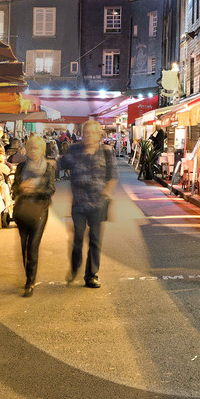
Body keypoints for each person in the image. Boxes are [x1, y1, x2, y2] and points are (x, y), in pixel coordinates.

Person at [62, 119, 118, 288]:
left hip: (98, 203)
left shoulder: (107, 151)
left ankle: (91, 275)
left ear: (99, 135)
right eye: (86, 133)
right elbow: (59, 164)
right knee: (78, 237)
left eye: (92, 133)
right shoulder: (74, 150)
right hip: (78, 203)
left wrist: (106, 193)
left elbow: (113, 177)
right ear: (82, 135)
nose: (89, 136)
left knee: (95, 240)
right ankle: (75, 266)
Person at [9, 135, 55, 296]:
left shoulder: (48, 168)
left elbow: (50, 190)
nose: (33, 151)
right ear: (26, 150)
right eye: (30, 148)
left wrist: (34, 189)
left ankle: (30, 281)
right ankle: (28, 276)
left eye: (36, 148)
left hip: (39, 210)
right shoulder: (21, 167)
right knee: (23, 246)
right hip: (22, 210)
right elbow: (14, 187)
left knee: (32, 246)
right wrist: (21, 187)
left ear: (42, 150)